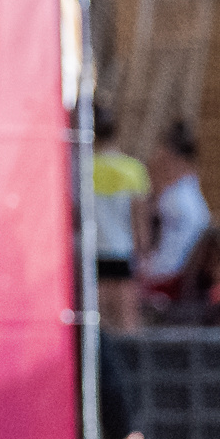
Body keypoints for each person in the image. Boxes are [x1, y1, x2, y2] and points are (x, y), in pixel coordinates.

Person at [91, 112, 151, 333]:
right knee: (127, 324)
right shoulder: (132, 169)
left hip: (93, 252)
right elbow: (139, 220)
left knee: (98, 324)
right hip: (122, 251)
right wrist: (143, 254)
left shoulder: (82, 168)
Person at [140, 121, 212, 290]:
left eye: (162, 161)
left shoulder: (174, 198)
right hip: (179, 271)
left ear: (171, 159)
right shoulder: (189, 192)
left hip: (169, 273)